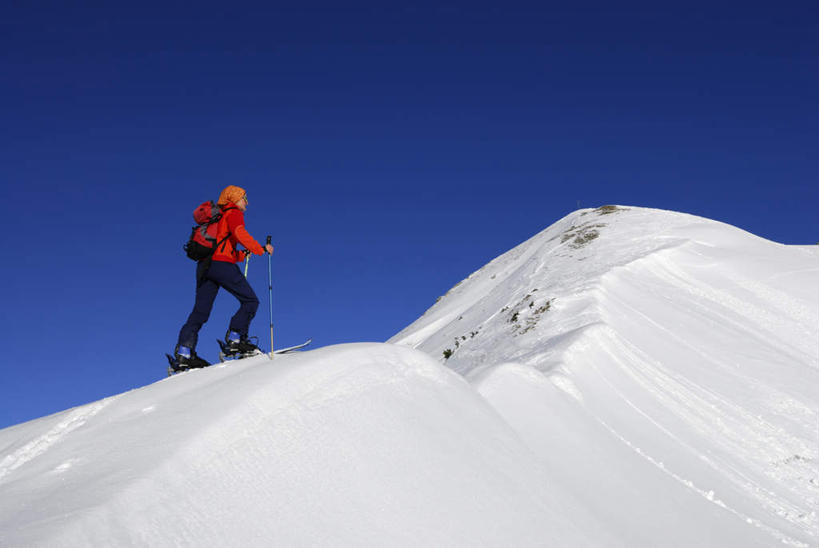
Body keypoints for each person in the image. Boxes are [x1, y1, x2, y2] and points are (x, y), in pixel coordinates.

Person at [173, 185, 274, 369]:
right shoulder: (233, 212)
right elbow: (239, 233)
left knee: (200, 312)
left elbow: (224, 249)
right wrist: (260, 249)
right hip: (221, 265)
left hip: (205, 267)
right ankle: (236, 339)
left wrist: (245, 253)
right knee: (251, 301)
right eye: (244, 198)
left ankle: (184, 352)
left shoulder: (218, 219)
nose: (247, 203)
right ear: (234, 198)